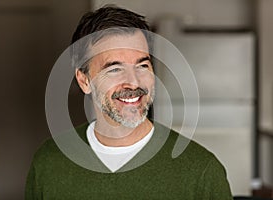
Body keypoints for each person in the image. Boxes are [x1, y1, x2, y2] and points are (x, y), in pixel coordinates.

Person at [25, 5, 233, 199]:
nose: (134, 82)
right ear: (85, 81)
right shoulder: (48, 163)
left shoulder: (202, 171)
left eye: (142, 66)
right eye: (114, 69)